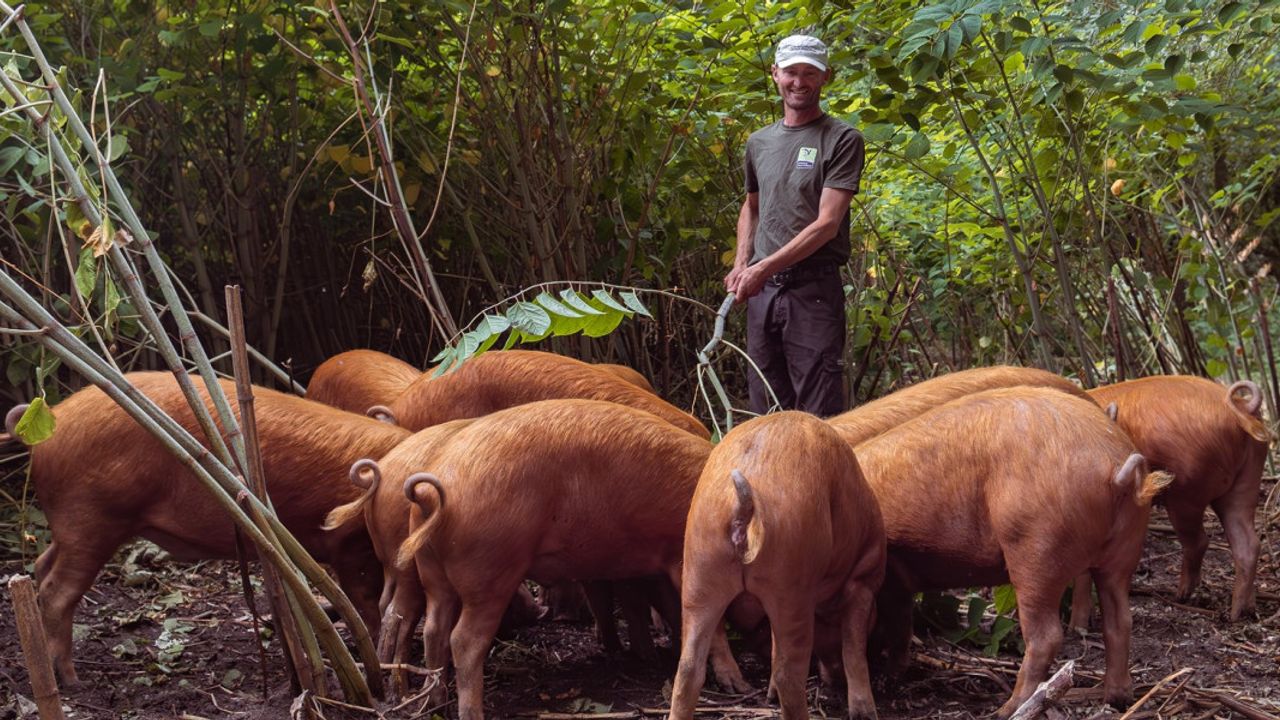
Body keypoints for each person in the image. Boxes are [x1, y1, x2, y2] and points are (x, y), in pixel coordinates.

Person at [725, 34, 865, 417]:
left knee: (817, 413)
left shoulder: (841, 139)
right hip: (762, 293)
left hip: (813, 290)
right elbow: (751, 206)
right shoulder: (759, 142)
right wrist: (742, 263)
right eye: (791, 72)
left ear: (825, 78)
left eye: (809, 73)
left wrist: (762, 266)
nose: (799, 82)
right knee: (765, 407)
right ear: (775, 74)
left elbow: (827, 224)